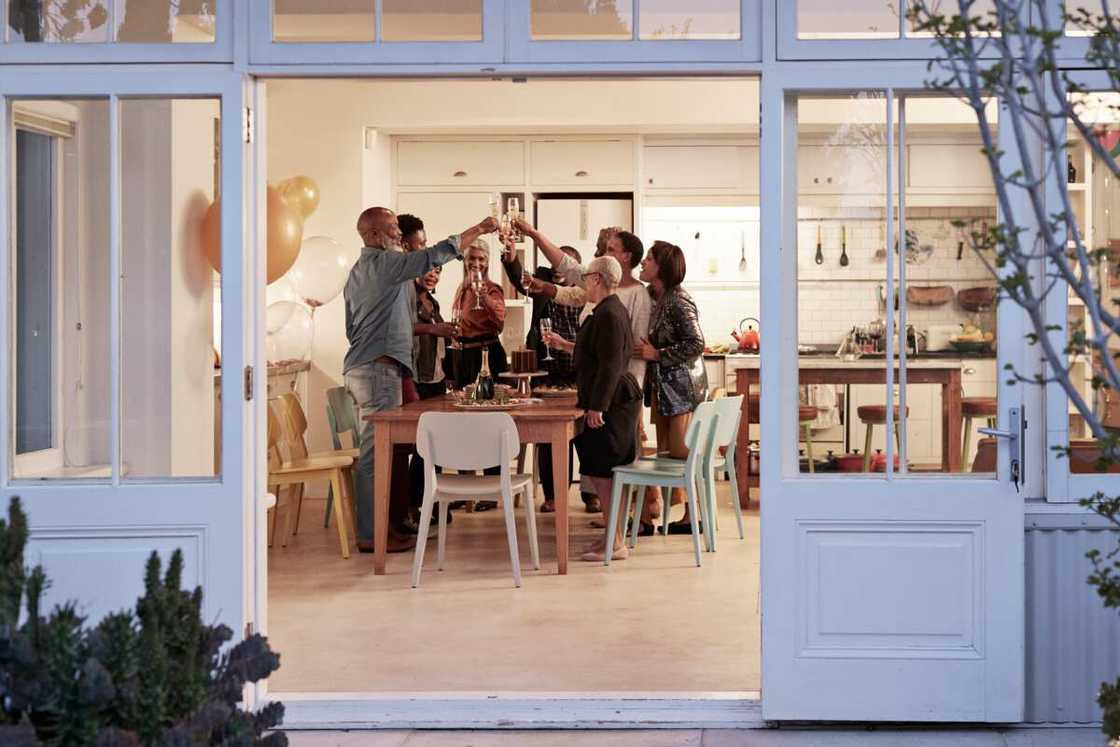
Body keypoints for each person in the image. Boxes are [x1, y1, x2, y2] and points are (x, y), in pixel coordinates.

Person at [343, 206, 497, 553]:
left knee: (381, 453)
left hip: (366, 367)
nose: (399, 233)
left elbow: (351, 328)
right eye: (392, 228)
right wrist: (479, 228)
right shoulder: (386, 263)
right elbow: (434, 255)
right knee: (375, 456)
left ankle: (386, 527)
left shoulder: (358, 272)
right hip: (378, 370)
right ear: (373, 235)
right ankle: (372, 535)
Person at [542, 255, 642, 562]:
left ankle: (615, 542)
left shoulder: (608, 313)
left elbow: (611, 364)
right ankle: (612, 536)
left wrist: (598, 406)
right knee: (603, 473)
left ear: (597, 278)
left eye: (586, 277)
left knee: (604, 473)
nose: (584, 282)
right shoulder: (608, 309)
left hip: (610, 403)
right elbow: (599, 352)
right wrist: (564, 345)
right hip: (610, 399)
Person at [499, 238, 596, 514]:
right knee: (548, 434)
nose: (556, 270)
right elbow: (521, 279)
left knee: (586, 436)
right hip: (548, 372)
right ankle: (553, 494)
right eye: (554, 265)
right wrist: (510, 256)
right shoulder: (543, 286)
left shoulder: (588, 293)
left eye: (562, 265)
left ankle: (590, 494)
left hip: (579, 373)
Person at [638, 240, 708, 533]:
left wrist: (658, 354)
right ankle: (683, 516)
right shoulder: (655, 296)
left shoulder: (678, 300)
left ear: (662, 267)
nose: (643, 263)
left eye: (648, 258)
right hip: (666, 391)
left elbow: (696, 343)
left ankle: (694, 517)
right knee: (672, 454)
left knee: (682, 454)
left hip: (682, 392)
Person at [446, 239, 508, 389]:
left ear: (487, 263)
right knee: (462, 401)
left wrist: (485, 297)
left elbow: (500, 316)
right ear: (465, 260)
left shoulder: (493, 289)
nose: (476, 263)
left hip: (485, 355)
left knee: (490, 401)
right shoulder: (462, 288)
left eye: (481, 259)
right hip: (462, 357)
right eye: (472, 258)